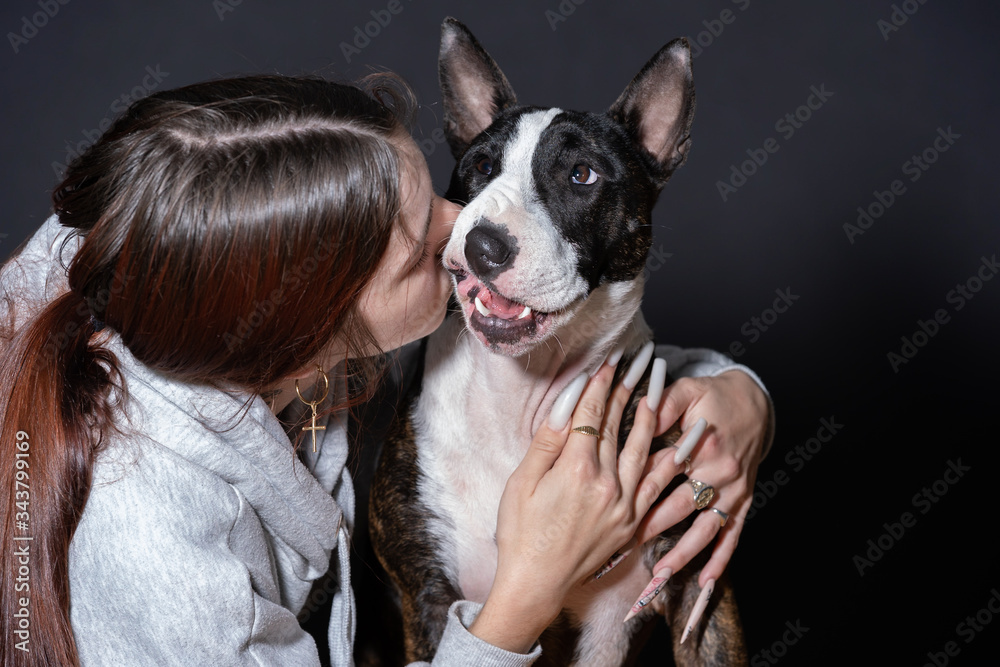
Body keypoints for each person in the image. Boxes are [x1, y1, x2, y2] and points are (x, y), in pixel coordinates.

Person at [0, 74, 771, 666]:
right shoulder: (152, 540)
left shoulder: (192, 291)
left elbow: (576, 353)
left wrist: (741, 395)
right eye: (419, 246)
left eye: (440, 194)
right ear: (309, 323)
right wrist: (527, 591)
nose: (472, 227)